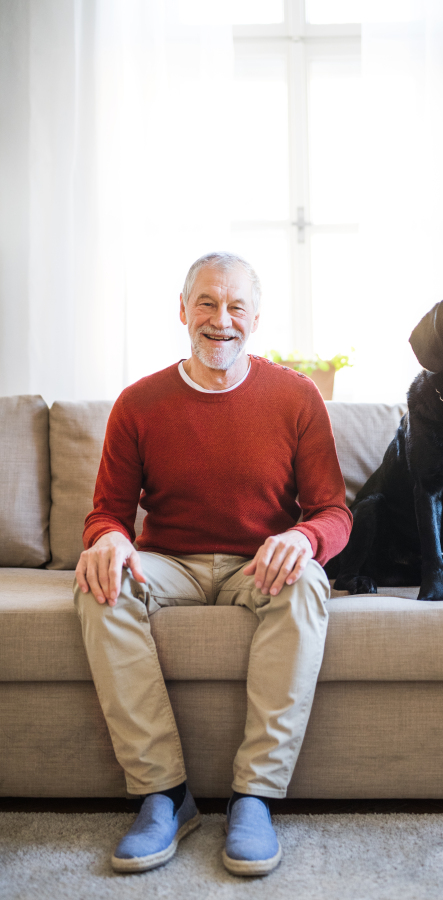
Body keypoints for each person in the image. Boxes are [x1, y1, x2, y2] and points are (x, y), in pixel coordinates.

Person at [74, 251, 352, 877]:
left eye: (235, 307)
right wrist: (111, 540)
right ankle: (165, 795)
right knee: (99, 580)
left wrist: (305, 539)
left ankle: (253, 796)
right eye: (206, 303)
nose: (220, 319)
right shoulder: (139, 403)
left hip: (260, 564)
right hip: (169, 561)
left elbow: (334, 511)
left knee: (306, 581)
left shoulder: (297, 396)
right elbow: (106, 513)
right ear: (181, 311)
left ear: (255, 318)